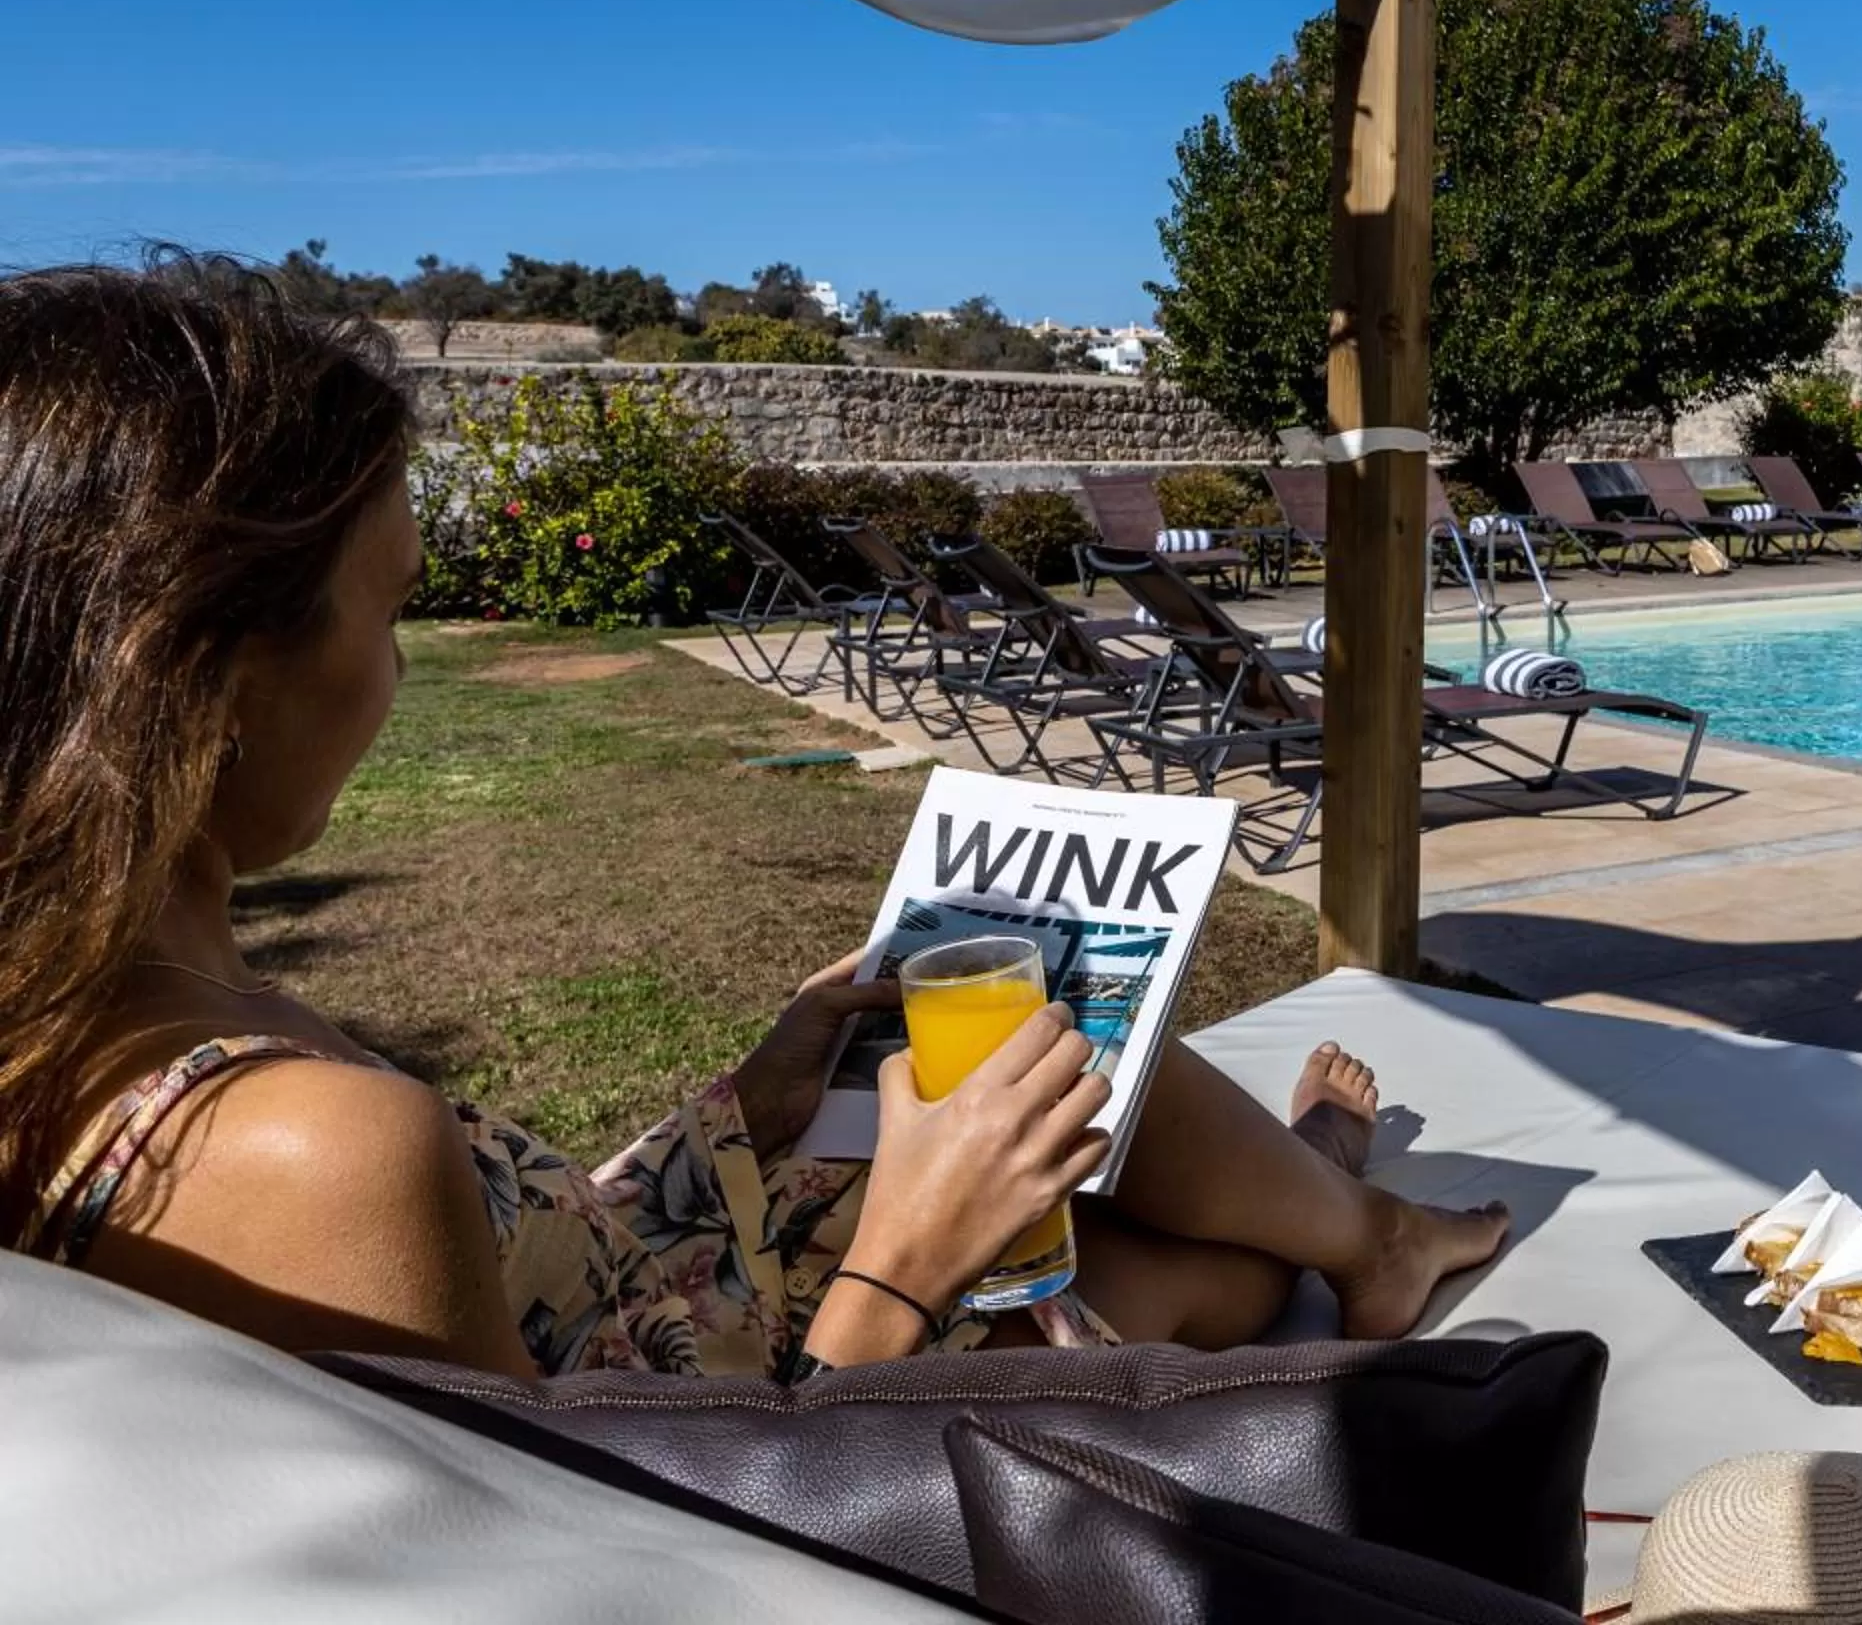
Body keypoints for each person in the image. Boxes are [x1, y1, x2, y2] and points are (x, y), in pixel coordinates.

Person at [0, 257, 1507, 1381]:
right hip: (753, 1410)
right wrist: (908, 1260)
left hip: (677, 1304)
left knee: (1050, 1055)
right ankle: (1349, 1218)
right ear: (209, 675)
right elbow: (644, 1569)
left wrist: (745, 1104)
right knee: (1147, 1213)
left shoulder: (109, 1004)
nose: (396, 671)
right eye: (391, 611)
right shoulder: (301, 1153)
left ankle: (1334, 1211)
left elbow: (528, 1282)